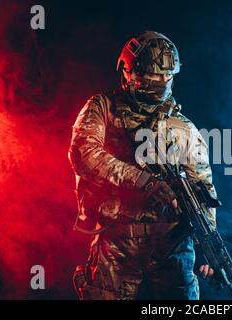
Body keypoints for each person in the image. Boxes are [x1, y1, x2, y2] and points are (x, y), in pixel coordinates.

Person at [68, 31, 217, 300]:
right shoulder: (103, 108)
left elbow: (203, 190)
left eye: (167, 75)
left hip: (171, 245)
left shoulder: (183, 128)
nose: (161, 82)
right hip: (117, 239)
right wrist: (146, 183)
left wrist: (210, 248)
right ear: (128, 71)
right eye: (154, 75)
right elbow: (84, 154)